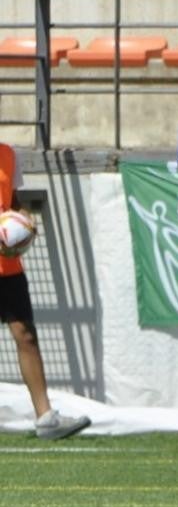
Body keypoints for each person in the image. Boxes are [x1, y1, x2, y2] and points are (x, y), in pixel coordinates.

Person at [0, 142, 91, 441]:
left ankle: (46, 418)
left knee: (26, 335)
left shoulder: (8, 154)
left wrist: (25, 222)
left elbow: (13, 202)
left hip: (8, 266)